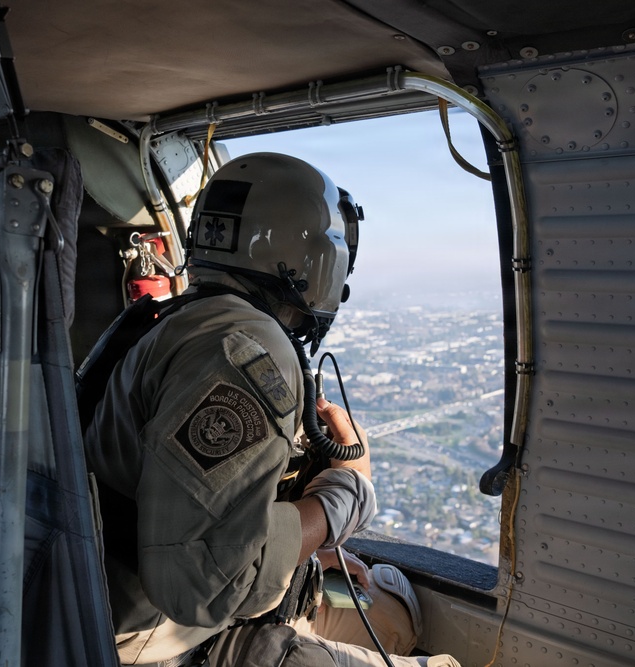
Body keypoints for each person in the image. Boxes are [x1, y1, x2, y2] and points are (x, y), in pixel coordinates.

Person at [84, 152, 460, 667]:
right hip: (154, 638)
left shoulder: (169, 318)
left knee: (397, 617)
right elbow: (198, 587)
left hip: (113, 597)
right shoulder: (243, 347)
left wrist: (306, 551)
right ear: (319, 262)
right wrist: (345, 495)